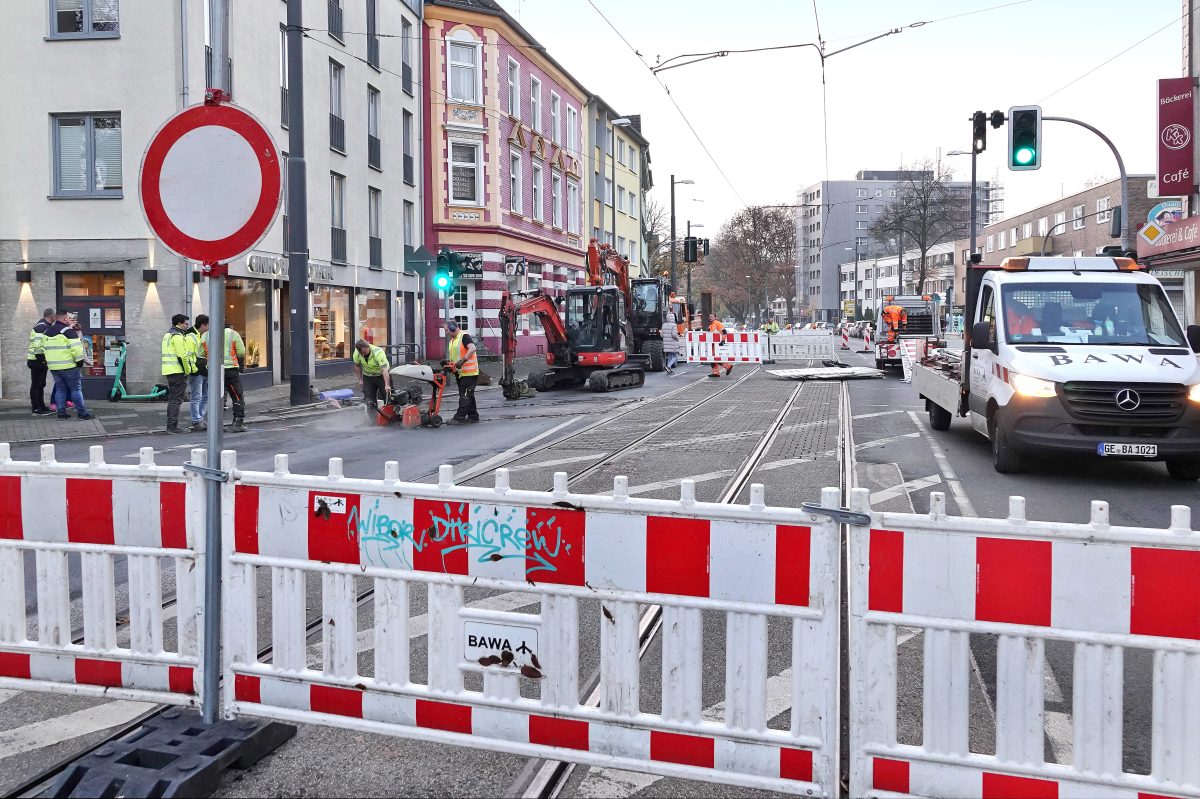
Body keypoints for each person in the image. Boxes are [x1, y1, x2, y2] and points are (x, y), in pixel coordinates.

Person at [45, 309, 93, 420]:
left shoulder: (47, 331)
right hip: (69, 366)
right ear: (64, 318)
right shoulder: (68, 332)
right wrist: (80, 362)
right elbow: (77, 350)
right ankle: (82, 413)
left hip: (54, 367)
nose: (68, 319)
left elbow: (44, 348)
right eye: (67, 318)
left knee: (60, 390)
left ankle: (61, 413)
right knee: (76, 389)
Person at [203, 322, 248, 433]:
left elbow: (200, 352)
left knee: (217, 397)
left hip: (214, 371)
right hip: (230, 370)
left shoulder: (206, 335)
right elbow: (241, 352)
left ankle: (215, 424)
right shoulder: (233, 333)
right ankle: (238, 422)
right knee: (237, 395)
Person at [162, 313, 196, 433]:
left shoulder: (167, 335)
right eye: (186, 324)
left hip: (169, 371)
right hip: (177, 371)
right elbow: (182, 356)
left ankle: (171, 425)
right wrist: (188, 371)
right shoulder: (177, 336)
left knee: (172, 399)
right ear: (179, 324)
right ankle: (172, 427)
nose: (187, 326)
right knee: (176, 400)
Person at [445, 320, 479, 423]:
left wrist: (463, 360)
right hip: (460, 373)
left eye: (446, 330)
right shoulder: (452, 340)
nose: (446, 332)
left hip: (469, 373)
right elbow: (456, 356)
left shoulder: (464, 336)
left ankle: (459, 418)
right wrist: (448, 362)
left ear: (452, 328)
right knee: (469, 395)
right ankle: (473, 416)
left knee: (465, 396)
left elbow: (472, 348)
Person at [27, 308, 56, 416]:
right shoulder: (41, 327)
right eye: (54, 316)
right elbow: (38, 346)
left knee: (41, 384)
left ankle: (41, 406)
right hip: (37, 360)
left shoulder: (44, 326)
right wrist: (42, 361)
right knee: (36, 384)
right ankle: (36, 408)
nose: (55, 318)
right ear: (51, 316)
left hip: (40, 360)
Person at [353, 338, 392, 409]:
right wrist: (360, 380)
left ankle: (391, 414)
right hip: (368, 376)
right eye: (361, 353)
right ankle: (372, 416)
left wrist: (387, 385)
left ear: (368, 347)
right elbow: (357, 366)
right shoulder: (357, 353)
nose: (363, 355)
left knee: (387, 396)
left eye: (364, 352)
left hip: (381, 375)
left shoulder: (378, 352)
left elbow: (384, 370)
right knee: (369, 398)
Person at [187, 315, 209, 432]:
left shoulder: (204, 335)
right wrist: (193, 370)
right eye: (208, 325)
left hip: (205, 370)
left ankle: (200, 418)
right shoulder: (191, 336)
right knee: (197, 396)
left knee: (206, 396)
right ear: (203, 325)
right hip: (197, 371)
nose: (210, 327)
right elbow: (190, 355)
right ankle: (196, 420)